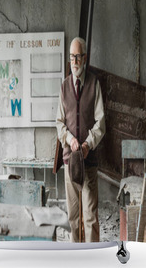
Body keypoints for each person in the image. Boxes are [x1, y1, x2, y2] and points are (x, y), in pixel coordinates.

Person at [56, 37, 106, 242]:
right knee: (74, 218)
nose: (74, 61)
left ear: (85, 58)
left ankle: (93, 260)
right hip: (70, 164)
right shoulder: (64, 86)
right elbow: (59, 123)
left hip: (89, 163)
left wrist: (87, 144)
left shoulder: (94, 84)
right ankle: (75, 259)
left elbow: (101, 122)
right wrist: (69, 139)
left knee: (91, 218)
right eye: (71, 57)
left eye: (78, 56)